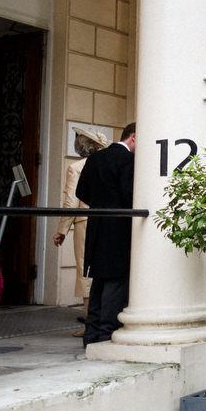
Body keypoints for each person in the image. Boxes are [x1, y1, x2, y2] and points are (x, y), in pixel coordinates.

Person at [77, 122, 135, 346]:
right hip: (118, 227)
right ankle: (105, 333)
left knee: (99, 279)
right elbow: (129, 193)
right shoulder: (127, 160)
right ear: (133, 137)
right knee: (116, 280)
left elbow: (80, 191)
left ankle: (90, 333)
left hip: (96, 224)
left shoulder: (94, 158)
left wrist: (100, 205)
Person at [53, 126, 110, 336]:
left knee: (85, 269)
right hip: (105, 220)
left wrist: (62, 230)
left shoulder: (76, 167)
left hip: (84, 221)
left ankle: (90, 321)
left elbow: (70, 201)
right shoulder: (105, 163)